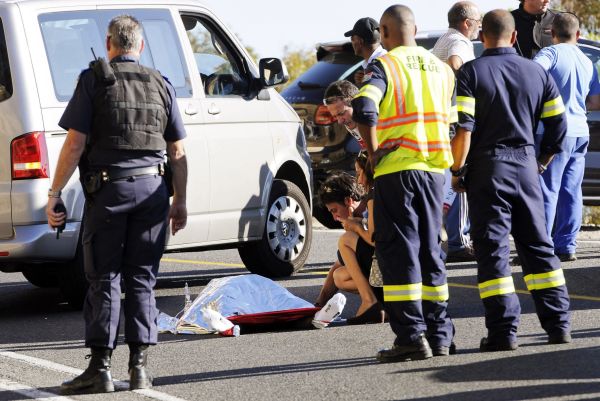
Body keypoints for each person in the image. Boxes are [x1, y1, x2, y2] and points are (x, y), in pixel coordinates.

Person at [46, 15, 188, 394]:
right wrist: (181, 202)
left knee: (104, 279)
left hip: (110, 194)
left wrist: (54, 193)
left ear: (109, 42)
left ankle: (100, 369)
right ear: (139, 46)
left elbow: (75, 144)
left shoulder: (93, 79)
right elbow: (177, 152)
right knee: (142, 278)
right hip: (154, 192)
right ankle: (140, 369)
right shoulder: (161, 83)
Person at [451, 9, 571, 352]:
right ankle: (559, 325)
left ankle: (503, 333)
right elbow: (558, 127)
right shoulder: (537, 72)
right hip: (526, 169)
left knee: (493, 253)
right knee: (539, 247)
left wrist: (458, 170)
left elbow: (464, 128)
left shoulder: (471, 74)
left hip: (488, 172)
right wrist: (542, 160)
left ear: (480, 37)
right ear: (515, 36)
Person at [353, 4, 457, 362]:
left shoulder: (386, 65)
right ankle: (440, 335)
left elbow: (364, 108)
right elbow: (454, 123)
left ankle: (411, 337)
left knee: (399, 254)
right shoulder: (442, 70)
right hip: (434, 172)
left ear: (384, 32)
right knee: (430, 251)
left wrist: (373, 151)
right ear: (416, 28)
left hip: (398, 171)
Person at [532, 12, 600, 262]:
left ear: (551, 33)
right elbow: (594, 101)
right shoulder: (587, 61)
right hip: (580, 132)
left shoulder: (549, 54)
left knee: (547, 189)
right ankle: (567, 245)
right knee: (572, 190)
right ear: (578, 34)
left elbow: (532, 78)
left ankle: (542, 246)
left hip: (551, 131)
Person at [431, 1, 481, 263]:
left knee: (446, 180)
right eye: (477, 22)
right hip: (454, 120)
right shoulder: (460, 41)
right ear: (466, 23)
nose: (479, 28)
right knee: (458, 176)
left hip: (440, 120)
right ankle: (459, 242)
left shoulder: (443, 39)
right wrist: (469, 87)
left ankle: (450, 237)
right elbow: (456, 63)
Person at [315, 166, 384, 324]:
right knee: (339, 276)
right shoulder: (360, 212)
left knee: (345, 240)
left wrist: (357, 227)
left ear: (348, 201)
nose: (334, 217)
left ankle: (370, 302)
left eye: (335, 210)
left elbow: (376, 239)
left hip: (392, 267)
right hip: (383, 271)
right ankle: (383, 305)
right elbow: (337, 266)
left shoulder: (369, 205)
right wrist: (318, 304)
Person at [323, 80, 365, 149]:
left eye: (341, 113)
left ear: (356, 104)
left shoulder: (375, 116)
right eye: (335, 116)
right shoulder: (350, 122)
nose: (340, 121)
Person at [344, 17, 387, 84]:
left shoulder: (380, 63)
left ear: (360, 41)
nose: (352, 42)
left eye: (352, 39)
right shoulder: (381, 60)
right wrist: (362, 83)